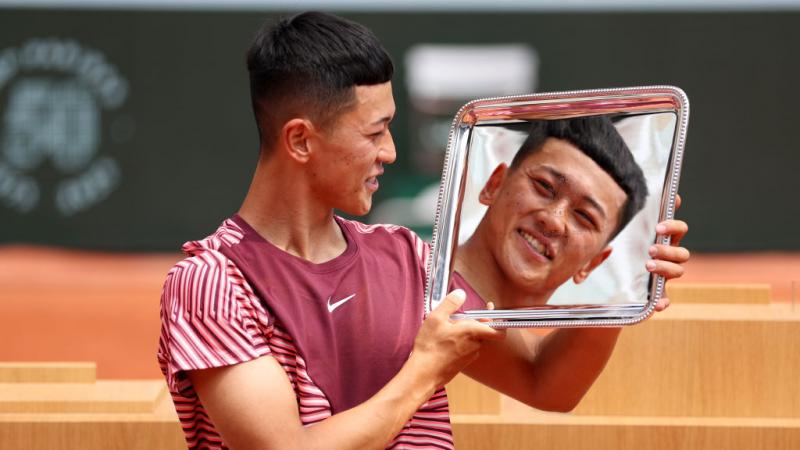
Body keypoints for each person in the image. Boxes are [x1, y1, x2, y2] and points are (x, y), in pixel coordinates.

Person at [157, 12, 690, 450]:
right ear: (300, 141)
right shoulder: (211, 284)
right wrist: (426, 369)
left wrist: (623, 292)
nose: (389, 152)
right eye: (375, 132)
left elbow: (543, 383)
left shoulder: (411, 261)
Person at [455, 117, 650, 309]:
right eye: (544, 186)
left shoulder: (555, 340)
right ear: (494, 184)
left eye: (585, 216)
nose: (553, 220)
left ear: (591, 264)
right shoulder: (424, 273)